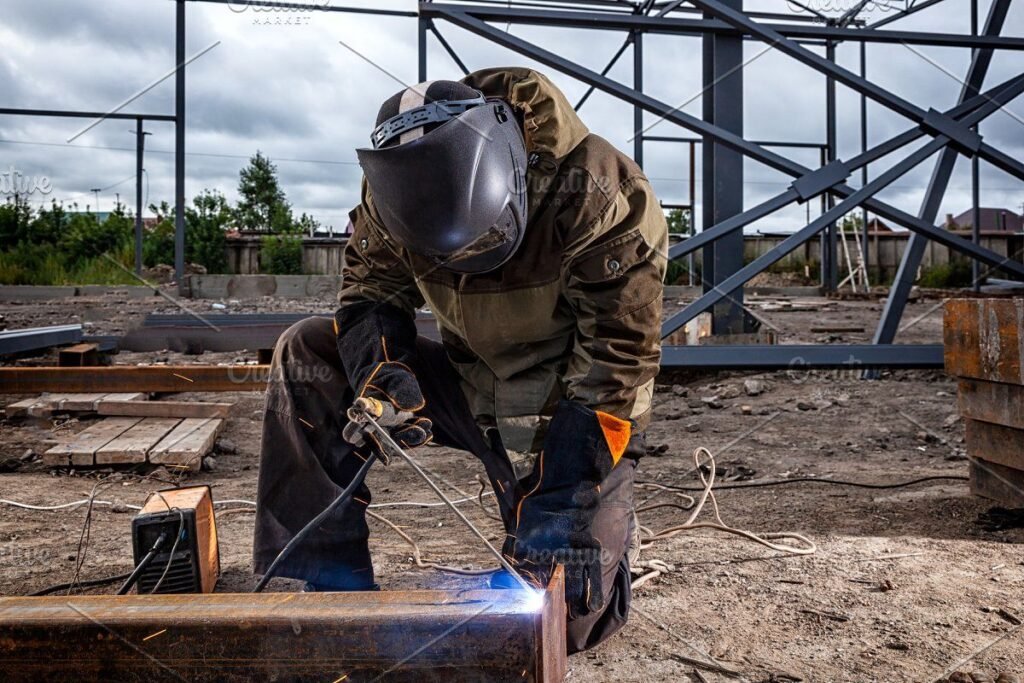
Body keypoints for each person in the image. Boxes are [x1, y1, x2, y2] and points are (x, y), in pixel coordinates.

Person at [253, 67, 667, 653]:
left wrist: (561, 499)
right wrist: (384, 371)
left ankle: (602, 531)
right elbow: (369, 296)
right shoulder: (390, 194)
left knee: (567, 621)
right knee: (307, 351)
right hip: (471, 386)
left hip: (567, 408)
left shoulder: (598, 190)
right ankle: (324, 578)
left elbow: (617, 359)